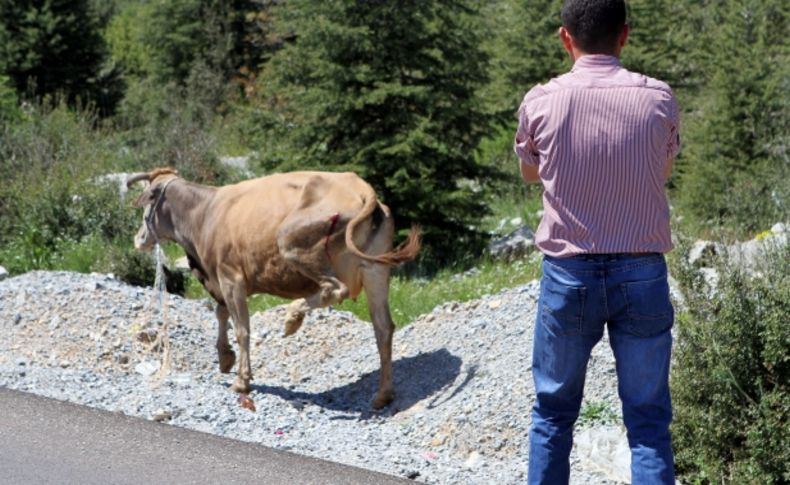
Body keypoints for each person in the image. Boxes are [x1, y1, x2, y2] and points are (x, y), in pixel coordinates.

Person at [513, 0, 680, 483]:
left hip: (569, 274)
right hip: (642, 270)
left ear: (566, 37)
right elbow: (663, 170)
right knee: (648, 422)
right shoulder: (658, 98)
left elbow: (530, 172)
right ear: (624, 35)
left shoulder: (541, 100)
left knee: (553, 412)